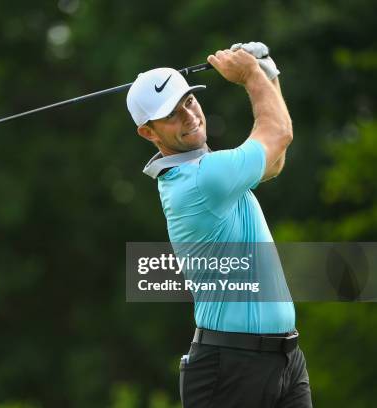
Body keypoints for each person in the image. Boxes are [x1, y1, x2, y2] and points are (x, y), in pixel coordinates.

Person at [126, 42, 312, 407]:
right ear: (149, 133)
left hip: (285, 359)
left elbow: (273, 161)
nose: (189, 116)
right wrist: (250, 75)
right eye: (171, 115)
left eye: (189, 102)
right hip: (229, 369)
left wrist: (266, 74)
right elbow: (278, 133)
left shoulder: (208, 169)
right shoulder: (200, 181)